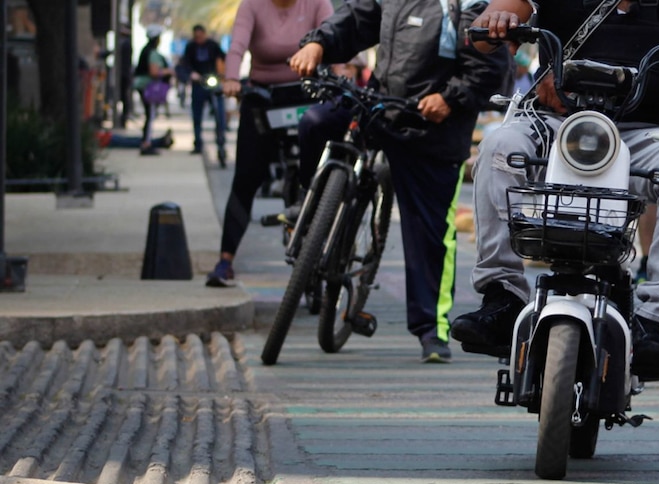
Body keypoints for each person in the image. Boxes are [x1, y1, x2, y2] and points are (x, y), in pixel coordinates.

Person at [451, 0, 659, 379]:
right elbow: (485, 36)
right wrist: (496, 21)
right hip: (557, 124)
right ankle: (502, 296)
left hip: (644, 132)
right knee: (499, 147)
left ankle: (656, 321)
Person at [289, 0, 510, 363]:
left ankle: (430, 329)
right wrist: (319, 43)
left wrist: (450, 98)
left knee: (429, 232)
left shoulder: (469, 5)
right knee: (314, 122)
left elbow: (490, 65)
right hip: (378, 103)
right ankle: (309, 211)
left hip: (432, 127)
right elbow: (357, 19)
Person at [205, 0, 334, 288]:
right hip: (263, 97)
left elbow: (333, 35)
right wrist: (231, 79)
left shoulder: (317, 3)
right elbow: (237, 45)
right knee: (247, 177)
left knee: (325, 172)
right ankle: (225, 259)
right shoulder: (252, 5)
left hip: (307, 94)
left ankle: (324, 246)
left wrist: (341, 73)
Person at [180, 24, 228, 164]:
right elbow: (185, 64)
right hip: (198, 84)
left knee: (219, 115)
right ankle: (198, 142)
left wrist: (222, 74)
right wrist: (191, 74)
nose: (199, 39)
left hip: (213, 82)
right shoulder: (190, 47)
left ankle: (221, 143)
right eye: (196, 36)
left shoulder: (213, 45)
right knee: (197, 115)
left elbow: (222, 58)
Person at [132, 25, 170, 156]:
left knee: (150, 114)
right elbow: (154, 72)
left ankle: (146, 141)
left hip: (143, 86)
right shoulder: (152, 53)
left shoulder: (145, 50)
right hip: (148, 87)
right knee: (150, 114)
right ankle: (146, 143)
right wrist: (168, 71)